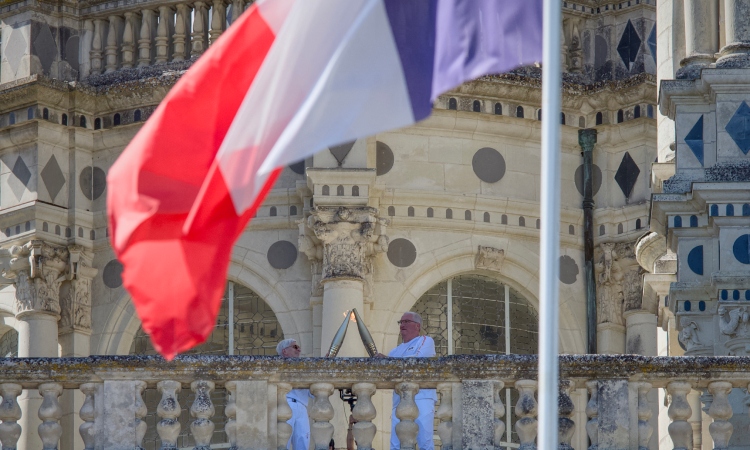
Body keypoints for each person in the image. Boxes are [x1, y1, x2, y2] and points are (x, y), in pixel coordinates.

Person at [375, 312, 436, 450]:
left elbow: (416, 360)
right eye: (400, 322)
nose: (402, 325)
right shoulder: (394, 351)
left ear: (417, 326)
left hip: (422, 397)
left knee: (424, 441)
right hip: (400, 402)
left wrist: (387, 361)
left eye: (406, 322)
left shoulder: (425, 341)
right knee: (396, 444)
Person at [277, 339, 312, 450]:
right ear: (285, 351)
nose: (299, 350)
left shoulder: (303, 368)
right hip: (285, 403)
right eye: (295, 347)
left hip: (302, 407)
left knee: (303, 442)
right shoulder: (277, 366)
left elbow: (313, 393)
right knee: (283, 442)